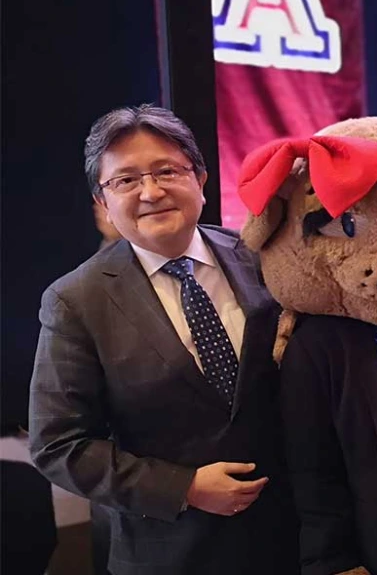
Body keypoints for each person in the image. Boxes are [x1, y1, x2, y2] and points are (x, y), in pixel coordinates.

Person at [28, 105, 298, 574]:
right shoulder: (77, 301)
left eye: (166, 171)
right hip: (169, 551)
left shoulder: (261, 258)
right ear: (103, 199)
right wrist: (184, 487)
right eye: (126, 180)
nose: (151, 192)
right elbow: (57, 443)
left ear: (201, 177)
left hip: (288, 540)